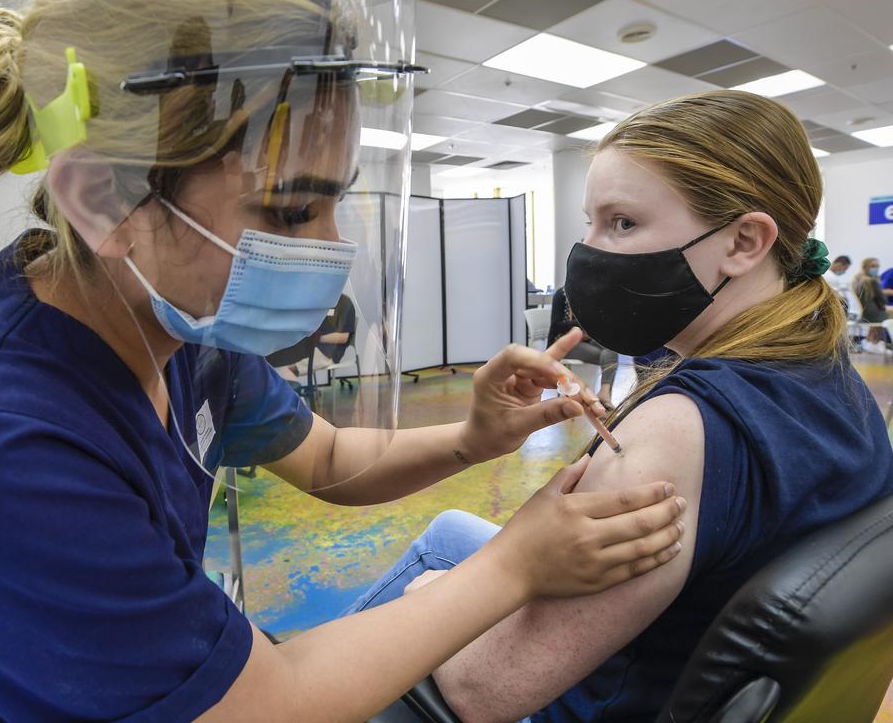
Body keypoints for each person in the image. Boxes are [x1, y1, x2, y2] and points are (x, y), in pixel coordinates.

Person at [0, 0, 687, 722]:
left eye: (336, 204)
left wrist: (473, 440)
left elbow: (327, 461)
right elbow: (261, 708)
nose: (328, 251)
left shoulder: (179, 327)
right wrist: (515, 566)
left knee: (442, 548)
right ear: (103, 200)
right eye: (291, 211)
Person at [345, 90, 893, 722]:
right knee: (448, 534)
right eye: (591, 222)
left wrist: (440, 595)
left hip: (597, 704)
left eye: (623, 223)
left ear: (744, 241)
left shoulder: (676, 428)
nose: (590, 251)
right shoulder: (832, 375)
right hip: (682, 655)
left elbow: (479, 689)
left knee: (428, 582)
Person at [546, 287, 618, 409]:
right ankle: (604, 397)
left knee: (612, 349)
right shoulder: (561, 295)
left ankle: (604, 393)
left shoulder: (587, 295)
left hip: (585, 339)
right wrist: (584, 322)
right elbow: (556, 326)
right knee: (604, 356)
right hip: (564, 343)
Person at [853, 257, 891, 348]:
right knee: (887, 317)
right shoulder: (872, 280)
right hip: (874, 314)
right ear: (866, 267)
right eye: (873, 266)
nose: (876, 268)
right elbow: (883, 299)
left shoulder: (858, 279)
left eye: (877, 266)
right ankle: (876, 344)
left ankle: (870, 344)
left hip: (865, 313)